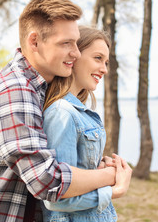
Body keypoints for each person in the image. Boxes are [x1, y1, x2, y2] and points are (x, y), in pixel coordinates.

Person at [0, 0, 117, 222]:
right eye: (66, 43)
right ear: (34, 42)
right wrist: (110, 178)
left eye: (76, 42)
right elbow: (46, 181)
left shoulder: (40, 88)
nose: (76, 53)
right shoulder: (13, 92)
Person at [40, 26, 132, 222]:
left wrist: (98, 168)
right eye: (98, 58)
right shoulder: (62, 113)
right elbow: (57, 199)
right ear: (74, 56)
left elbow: (77, 176)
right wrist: (115, 190)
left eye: (106, 62)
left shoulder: (76, 111)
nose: (104, 69)